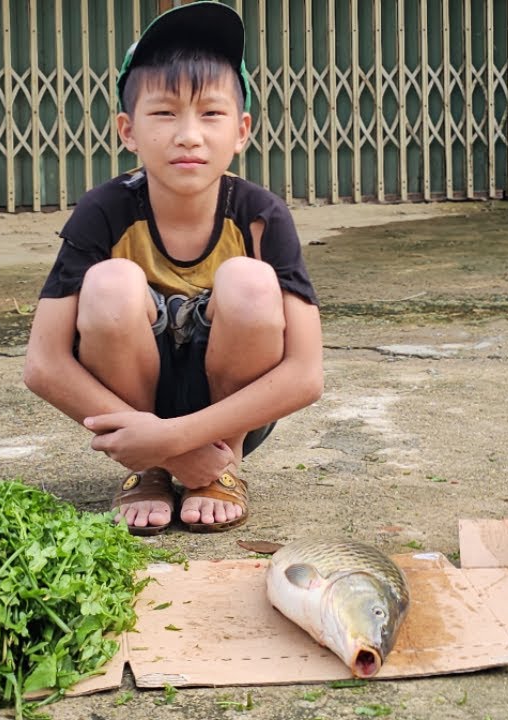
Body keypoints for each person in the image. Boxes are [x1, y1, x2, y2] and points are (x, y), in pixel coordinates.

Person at [22, 1, 323, 535]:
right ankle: (151, 474)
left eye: (211, 113)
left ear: (241, 130)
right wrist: (159, 449)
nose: (188, 134)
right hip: (130, 414)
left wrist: (181, 438)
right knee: (110, 285)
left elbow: (305, 374)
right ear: (128, 130)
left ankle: (220, 472)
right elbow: (43, 364)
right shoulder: (104, 211)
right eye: (164, 113)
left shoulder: (260, 216)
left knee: (250, 283)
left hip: (231, 418)